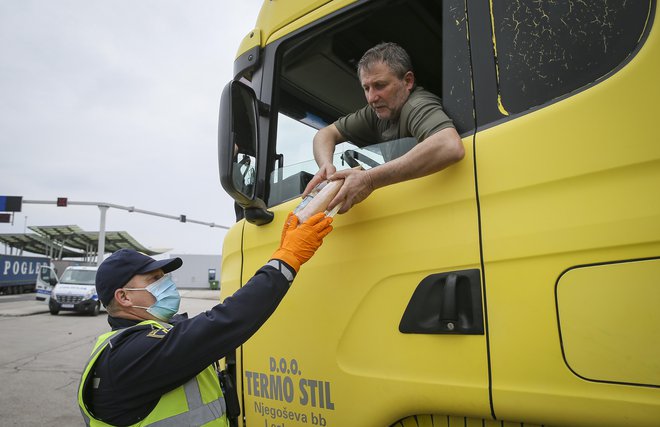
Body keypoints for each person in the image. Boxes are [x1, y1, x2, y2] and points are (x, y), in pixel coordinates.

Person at [78, 212, 333, 427]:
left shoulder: (155, 337)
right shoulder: (130, 355)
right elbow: (228, 320)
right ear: (123, 297)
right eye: (154, 279)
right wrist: (287, 259)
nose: (167, 284)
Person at [303, 42, 465, 214]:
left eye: (380, 85)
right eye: (366, 88)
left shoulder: (416, 105)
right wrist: (326, 165)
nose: (372, 97)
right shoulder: (378, 112)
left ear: (408, 81)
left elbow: (449, 146)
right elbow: (326, 133)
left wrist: (370, 179)